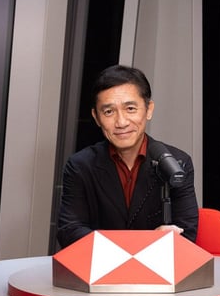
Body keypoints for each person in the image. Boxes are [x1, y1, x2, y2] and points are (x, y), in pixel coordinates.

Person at [56, 65, 199, 248]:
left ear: (149, 109)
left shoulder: (176, 162)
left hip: (157, 272)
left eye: (130, 108)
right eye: (109, 112)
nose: (121, 122)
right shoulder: (80, 166)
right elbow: (70, 231)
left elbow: (186, 234)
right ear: (96, 117)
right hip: (100, 271)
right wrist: (144, 242)